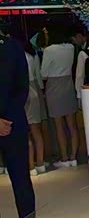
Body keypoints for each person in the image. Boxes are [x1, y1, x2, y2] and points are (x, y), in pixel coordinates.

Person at [0, 21, 45, 218]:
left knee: (21, 178)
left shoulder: (12, 47)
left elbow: (22, 88)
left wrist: (6, 118)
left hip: (12, 122)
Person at [41, 25, 79, 168]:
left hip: (54, 87)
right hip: (68, 85)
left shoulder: (49, 50)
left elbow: (43, 73)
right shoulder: (70, 47)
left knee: (59, 126)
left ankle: (64, 158)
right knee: (72, 125)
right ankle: (73, 158)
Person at [24, 41, 47, 176]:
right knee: (36, 130)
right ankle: (40, 163)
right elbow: (39, 76)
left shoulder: (13, 53)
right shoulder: (32, 54)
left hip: (21, 90)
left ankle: (30, 166)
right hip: (34, 90)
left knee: (24, 131)